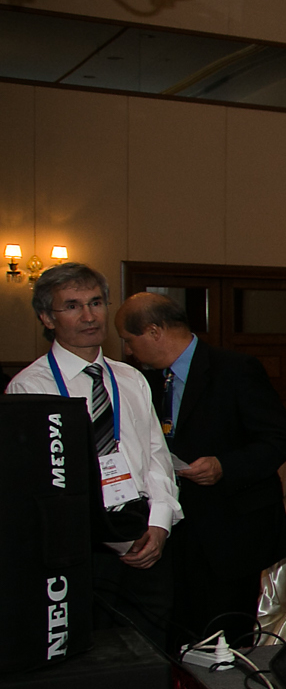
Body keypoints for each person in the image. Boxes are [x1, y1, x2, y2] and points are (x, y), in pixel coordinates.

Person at [6, 264, 180, 647]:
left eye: (96, 303)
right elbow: (32, 489)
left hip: (143, 537)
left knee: (150, 655)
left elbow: (157, 458)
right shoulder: (30, 387)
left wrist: (160, 524)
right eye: (72, 306)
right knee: (91, 660)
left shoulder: (130, 378)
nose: (89, 316)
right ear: (47, 318)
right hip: (78, 548)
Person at [116, 292, 286, 651]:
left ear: (154, 332)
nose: (127, 350)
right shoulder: (142, 380)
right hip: (176, 529)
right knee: (178, 631)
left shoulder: (235, 369)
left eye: (128, 339)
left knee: (225, 639)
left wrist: (224, 466)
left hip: (230, 530)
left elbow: (279, 439)